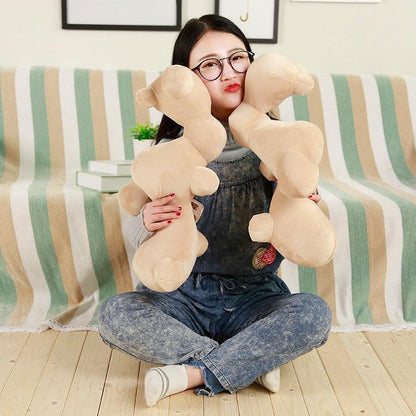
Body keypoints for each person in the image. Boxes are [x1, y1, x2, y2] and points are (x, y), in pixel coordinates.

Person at [98, 14, 331, 407]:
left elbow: (296, 233)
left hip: (255, 297)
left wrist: (302, 204)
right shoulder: (170, 153)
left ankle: (190, 372)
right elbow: (148, 245)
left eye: (238, 57)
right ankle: (248, 361)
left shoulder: (277, 146)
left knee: (313, 314)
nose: (229, 72)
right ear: (186, 79)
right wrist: (147, 223)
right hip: (182, 297)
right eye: (210, 64)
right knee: (115, 314)